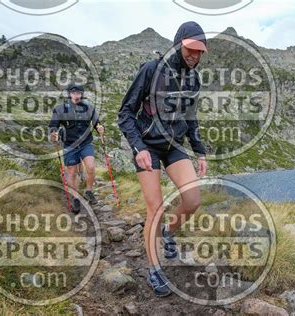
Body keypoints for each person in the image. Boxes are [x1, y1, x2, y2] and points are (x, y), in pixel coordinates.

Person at [118, 21, 208, 297]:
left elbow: (190, 118)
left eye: (200, 51)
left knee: (192, 201)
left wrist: (199, 150)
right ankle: (155, 269)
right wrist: (138, 147)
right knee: (155, 207)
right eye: (190, 49)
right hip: (147, 145)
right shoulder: (152, 70)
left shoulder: (194, 80)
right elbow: (125, 113)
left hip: (173, 146)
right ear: (179, 44)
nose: (194, 55)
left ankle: (168, 233)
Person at [49, 83, 104, 213]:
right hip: (69, 145)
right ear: (69, 94)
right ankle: (75, 198)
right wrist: (53, 134)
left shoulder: (89, 108)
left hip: (86, 143)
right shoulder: (60, 109)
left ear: (82, 94)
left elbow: (97, 123)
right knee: (72, 172)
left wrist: (100, 128)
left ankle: (89, 191)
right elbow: (53, 125)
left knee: (90, 167)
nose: (76, 95)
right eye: (73, 93)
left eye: (78, 93)